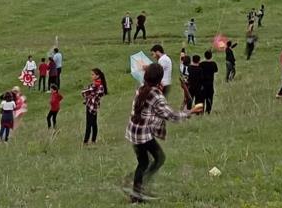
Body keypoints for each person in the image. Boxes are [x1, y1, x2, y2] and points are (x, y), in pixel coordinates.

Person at [125, 62, 203, 203]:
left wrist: (147, 70)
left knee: (143, 162)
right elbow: (172, 116)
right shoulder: (156, 95)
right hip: (142, 135)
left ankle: (136, 192)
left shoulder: (142, 87)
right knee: (158, 159)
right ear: (160, 79)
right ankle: (137, 190)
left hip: (133, 131)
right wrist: (191, 111)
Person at [82, 68, 108, 144]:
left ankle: (86, 141)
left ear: (98, 75)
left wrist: (88, 93)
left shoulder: (99, 85)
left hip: (92, 106)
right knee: (93, 123)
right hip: (91, 105)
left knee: (89, 124)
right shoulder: (95, 84)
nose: (91, 76)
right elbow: (87, 92)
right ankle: (93, 140)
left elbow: (87, 92)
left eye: (93, 74)